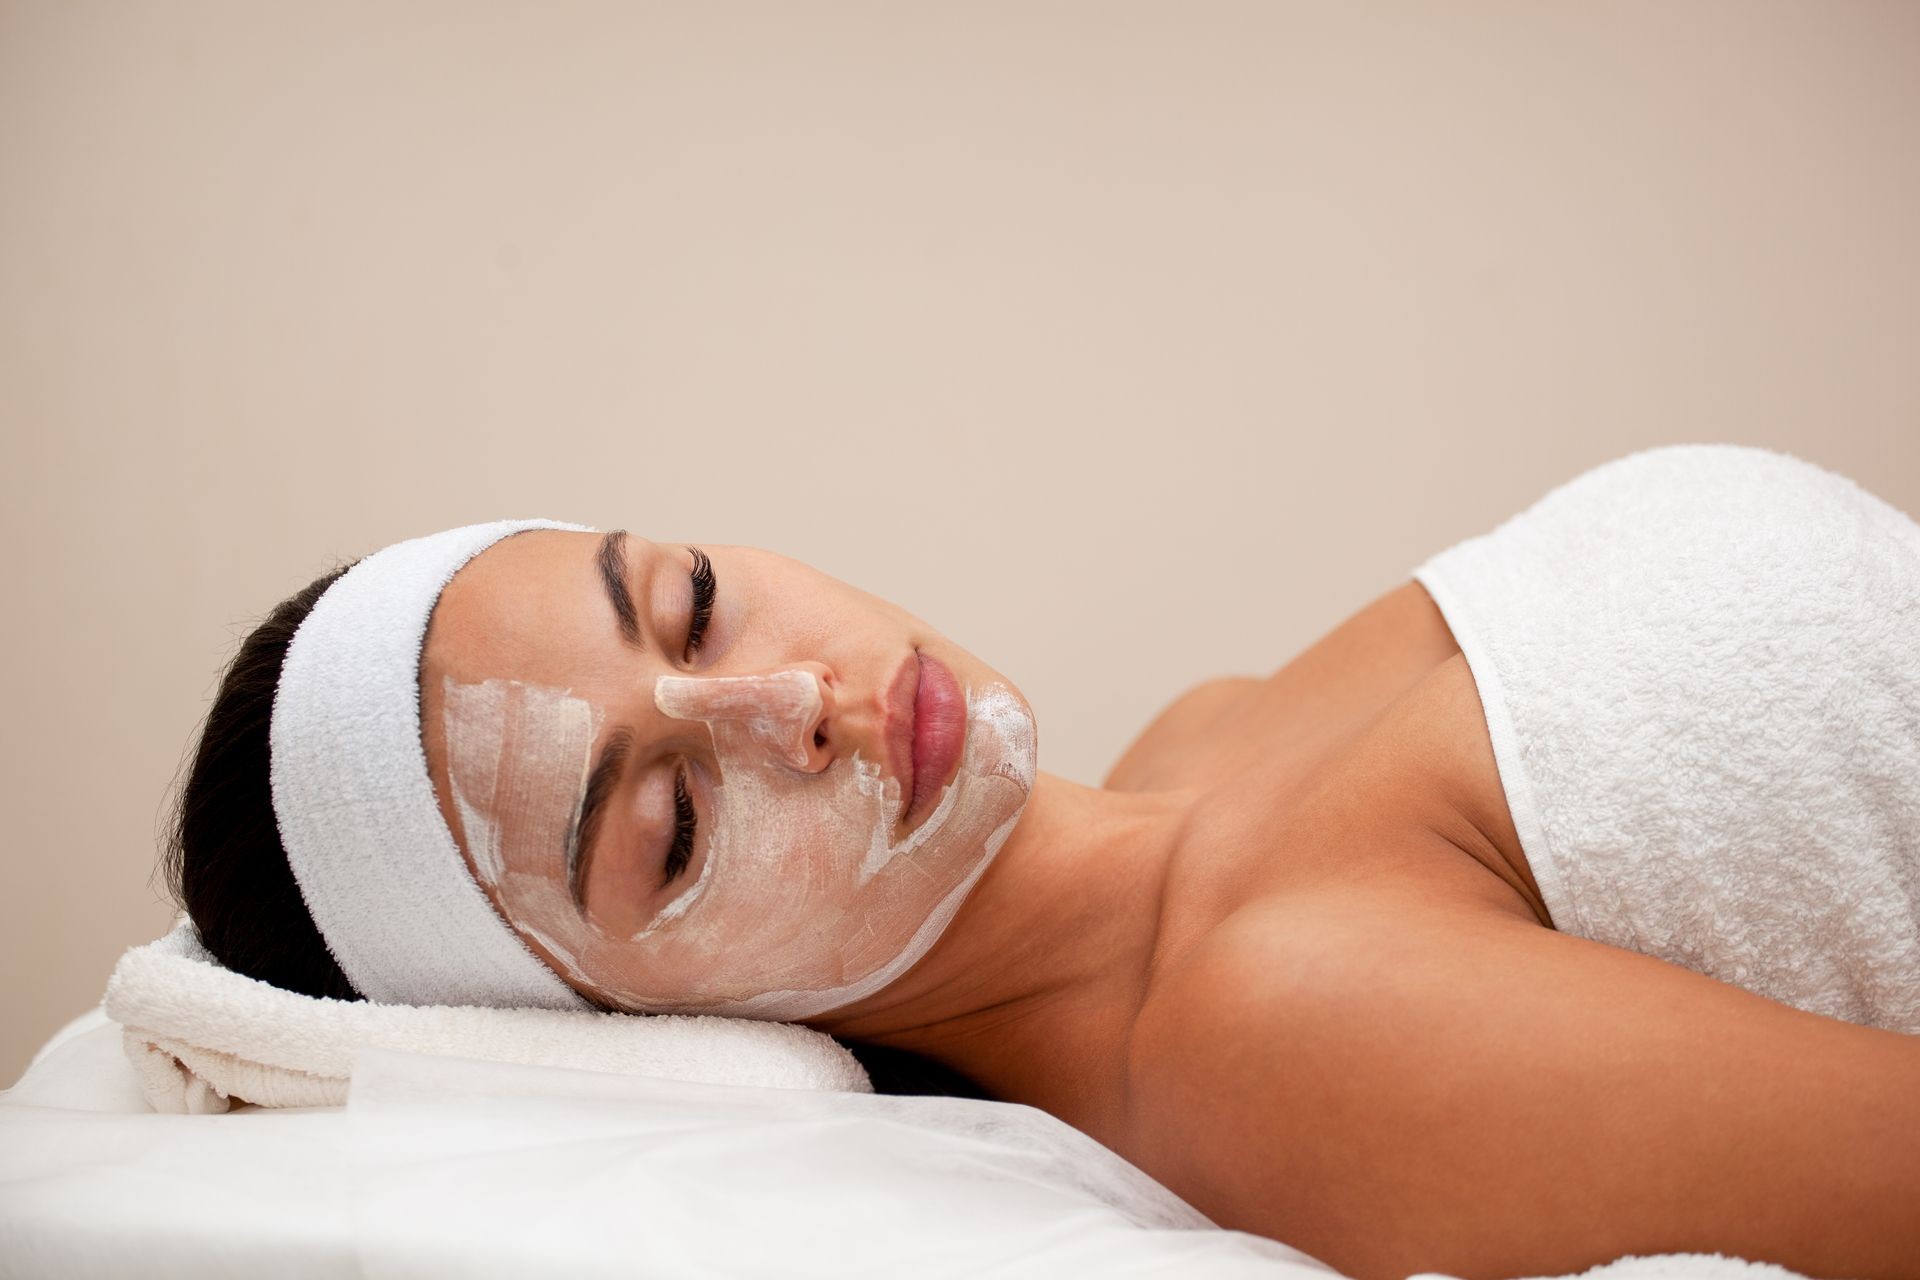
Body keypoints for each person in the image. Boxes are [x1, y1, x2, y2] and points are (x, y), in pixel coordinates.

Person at [165, 444, 1920, 1279]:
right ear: (630, 1026)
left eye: (690, 598)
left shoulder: (1193, 744)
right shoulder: (1272, 1032)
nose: (799, 703)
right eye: (669, 828)